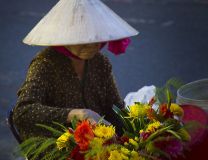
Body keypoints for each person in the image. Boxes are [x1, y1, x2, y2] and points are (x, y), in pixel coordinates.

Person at [12, 0, 139, 141]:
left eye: (96, 37)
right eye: (82, 38)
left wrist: (138, 131)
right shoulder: (45, 63)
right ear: (65, 35)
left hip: (96, 138)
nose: (92, 45)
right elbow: (23, 113)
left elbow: (114, 107)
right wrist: (79, 114)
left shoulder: (100, 62)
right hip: (57, 143)